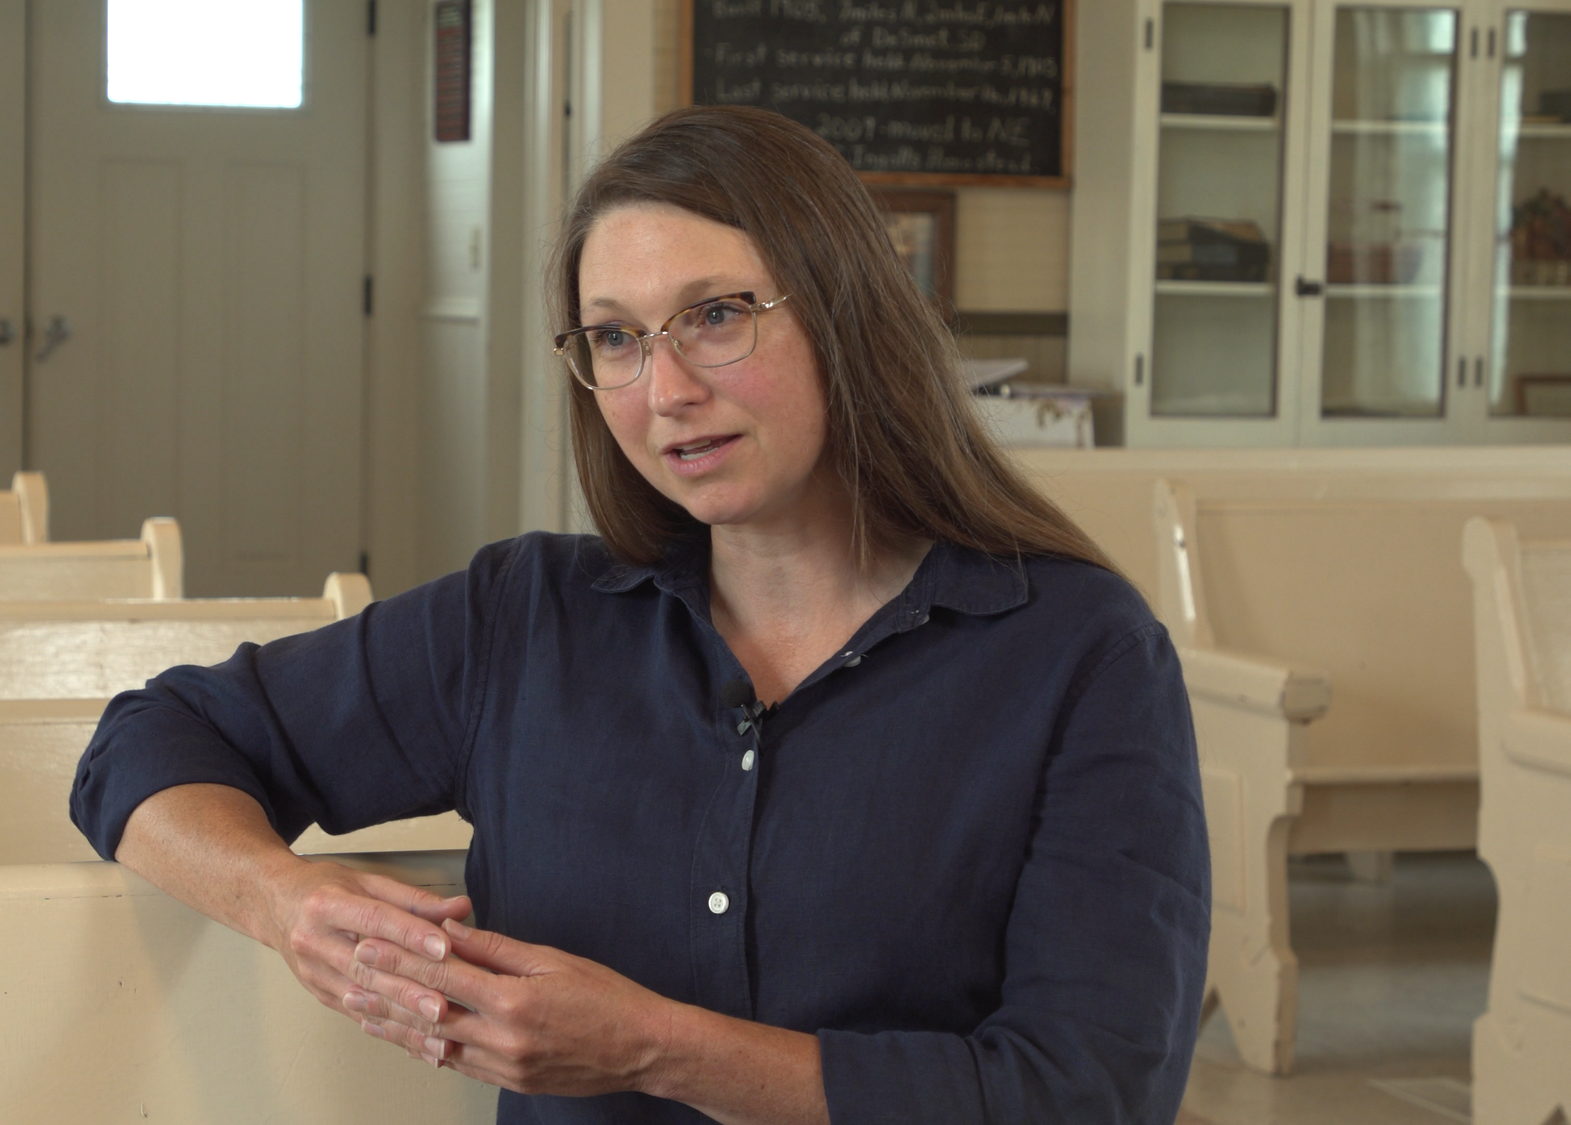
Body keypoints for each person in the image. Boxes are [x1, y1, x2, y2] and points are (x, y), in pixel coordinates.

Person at [71, 105, 1209, 1125]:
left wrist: (661, 1051)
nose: (664, 391)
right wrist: (281, 899)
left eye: (714, 316)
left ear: (848, 320)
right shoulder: (524, 616)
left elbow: (1088, 1093)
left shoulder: (1078, 652)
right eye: (614, 338)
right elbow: (148, 740)